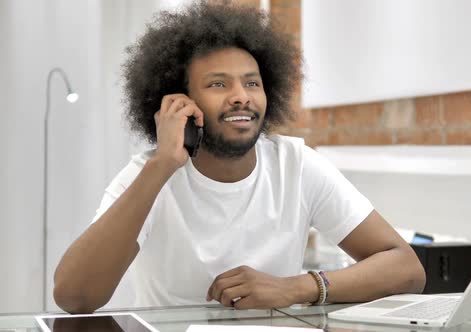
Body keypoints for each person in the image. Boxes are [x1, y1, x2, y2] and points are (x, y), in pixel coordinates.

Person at [53, 2, 425, 314]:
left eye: (252, 83)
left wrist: (297, 288)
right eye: (218, 84)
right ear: (177, 103)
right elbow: (74, 297)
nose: (241, 96)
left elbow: (407, 268)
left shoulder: (296, 164)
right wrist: (163, 165)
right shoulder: (148, 174)